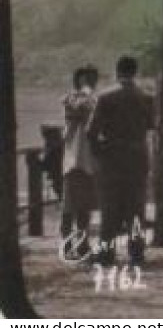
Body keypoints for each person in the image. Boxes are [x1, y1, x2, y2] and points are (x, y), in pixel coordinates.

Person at [86, 55, 154, 264]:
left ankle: (107, 252)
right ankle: (136, 252)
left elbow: (91, 131)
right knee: (136, 207)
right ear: (135, 72)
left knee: (110, 207)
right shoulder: (146, 97)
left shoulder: (105, 97)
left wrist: (99, 153)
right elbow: (152, 124)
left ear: (117, 71)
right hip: (137, 156)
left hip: (113, 157)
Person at [60, 66, 99, 256]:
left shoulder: (92, 100)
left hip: (87, 161)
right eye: (86, 79)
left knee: (84, 208)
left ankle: (82, 245)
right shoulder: (73, 98)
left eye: (92, 79)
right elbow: (82, 106)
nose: (90, 83)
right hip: (74, 160)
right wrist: (86, 89)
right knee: (69, 208)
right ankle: (66, 246)